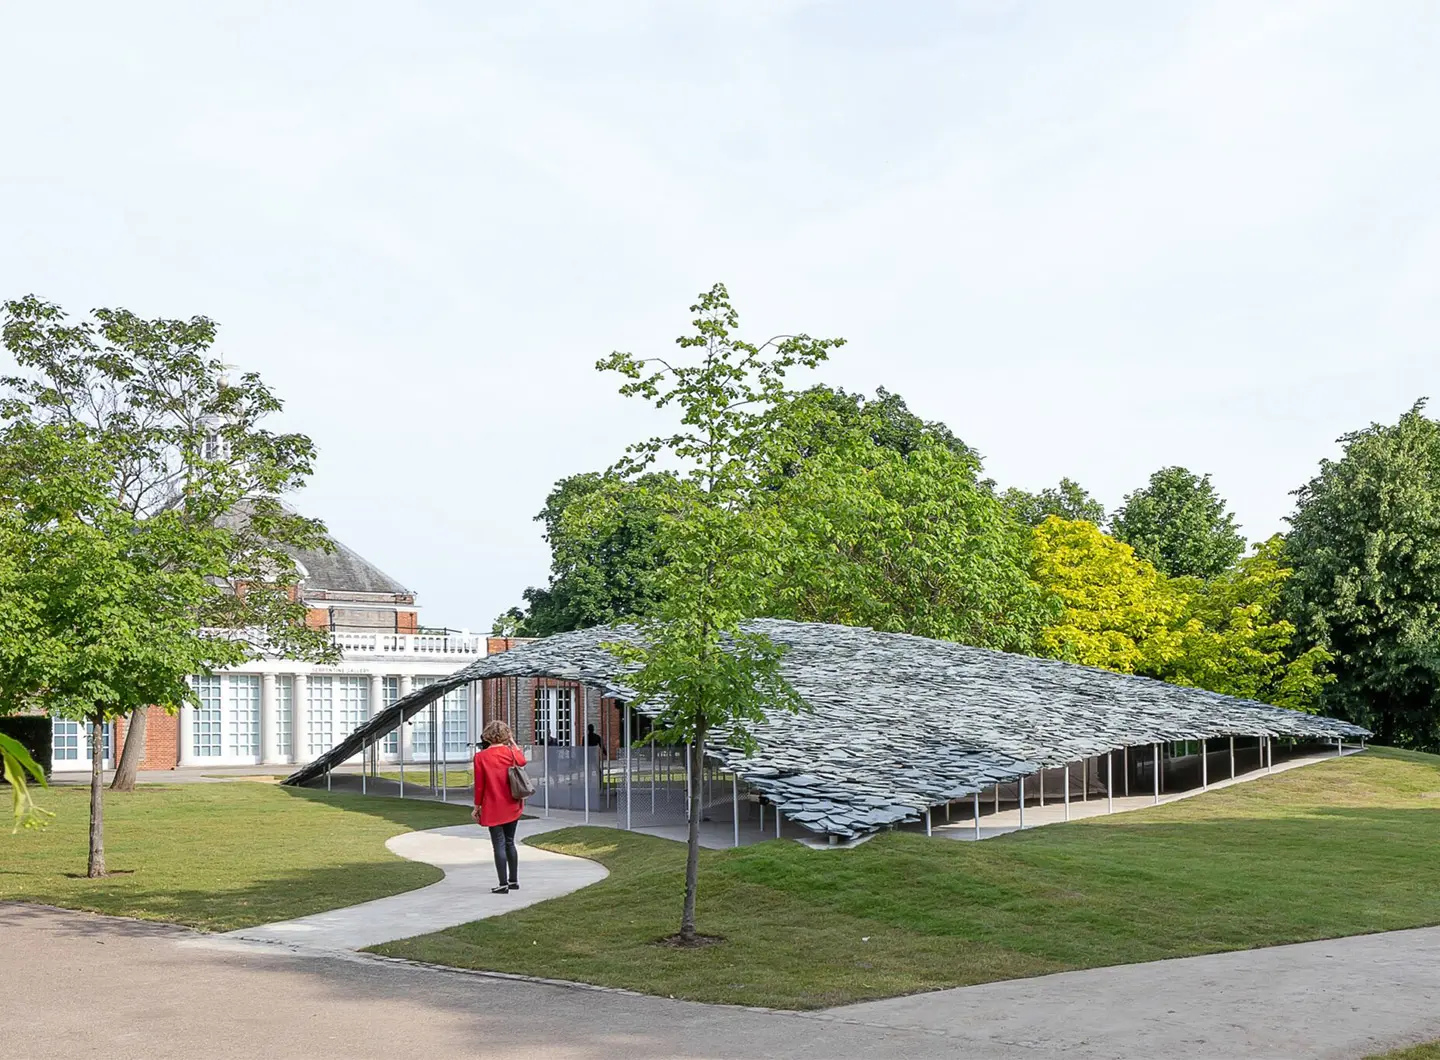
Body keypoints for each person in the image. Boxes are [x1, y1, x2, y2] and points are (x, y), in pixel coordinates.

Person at [472, 720, 526, 894]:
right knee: (510, 842)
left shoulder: (480, 757)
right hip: (512, 802)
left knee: (499, 844)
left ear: (487, 736)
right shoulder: (510, 753)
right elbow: (522, 761)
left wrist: (477, 806)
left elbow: (480, 785)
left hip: (493, 805)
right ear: (506, 735)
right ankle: (513, 881)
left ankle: (503, 883)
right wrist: (512, 742)